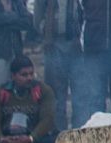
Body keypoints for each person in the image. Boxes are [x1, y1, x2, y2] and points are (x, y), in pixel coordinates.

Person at [33, 0, 79, 130]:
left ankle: (80, 135)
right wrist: (46, 27)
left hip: (78, 45)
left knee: (81, 96)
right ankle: (59, 137)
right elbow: (38, 16)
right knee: (56, 97)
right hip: (54, 44)